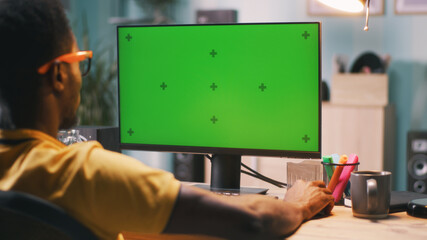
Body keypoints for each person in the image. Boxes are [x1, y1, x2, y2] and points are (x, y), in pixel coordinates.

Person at [0, 0, 334, 239]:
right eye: (79, 61)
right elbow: (251, 222)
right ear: (59, 74)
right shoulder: (83, 174)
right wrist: (298, 205)